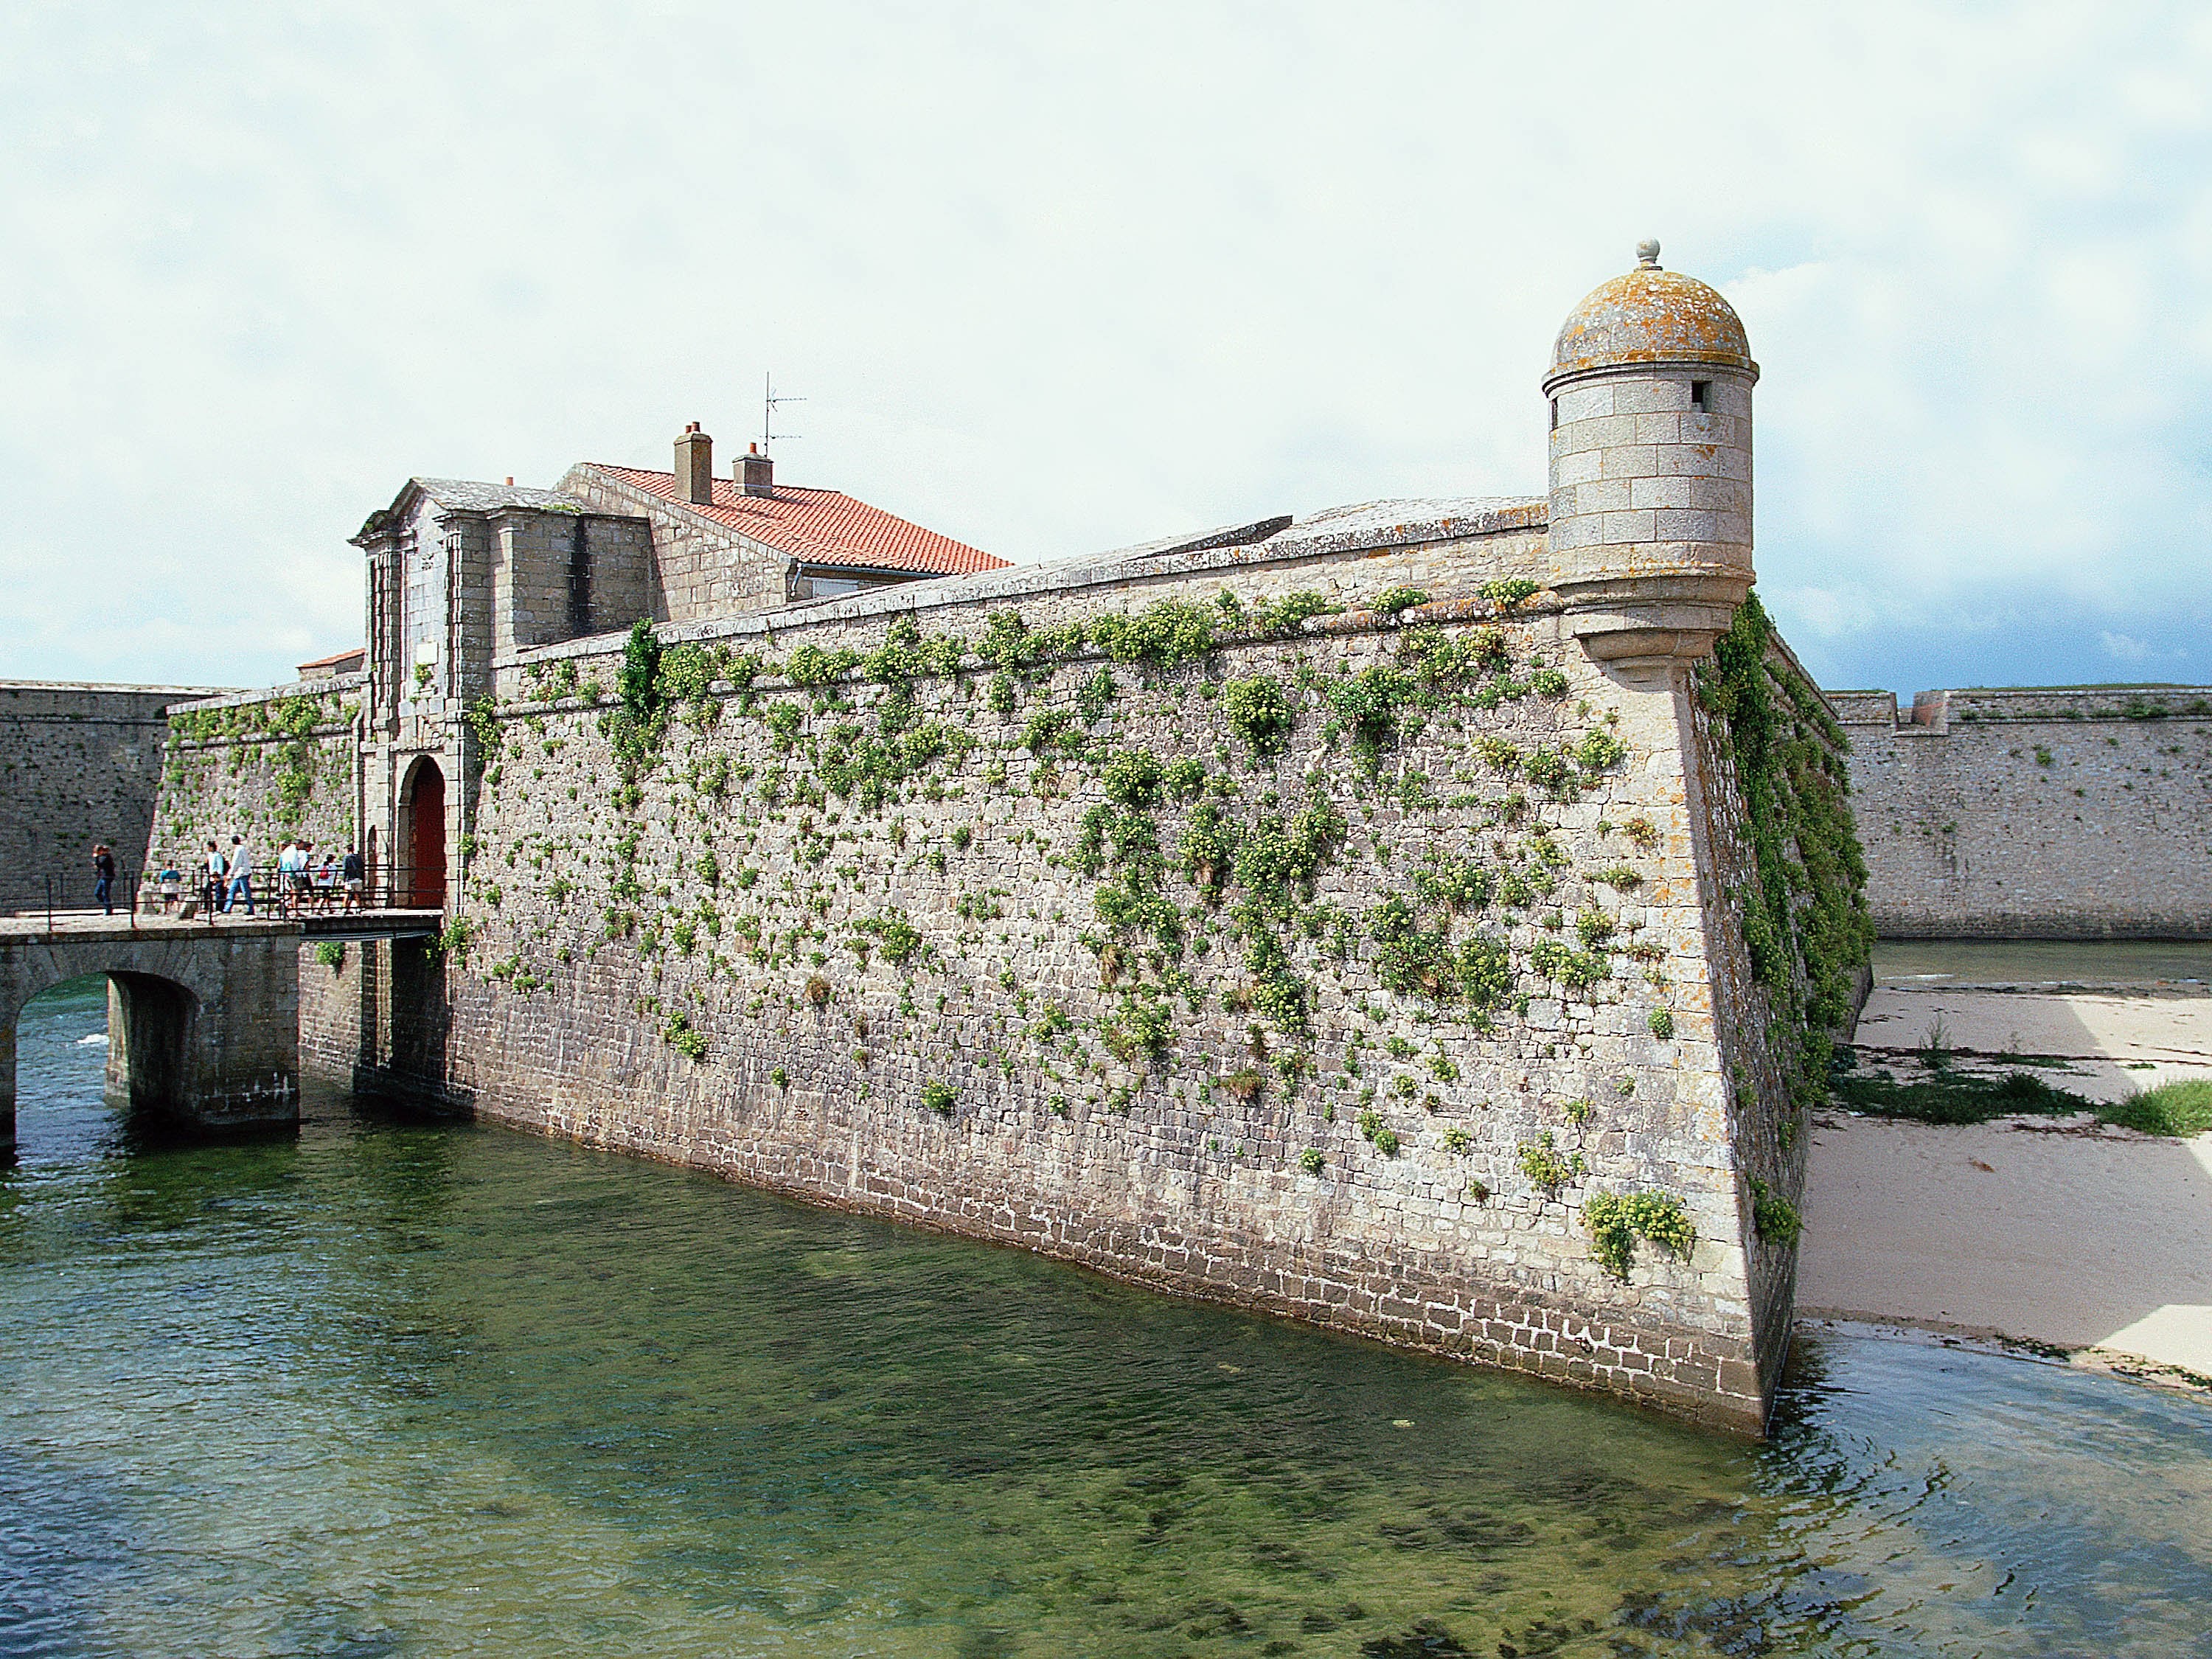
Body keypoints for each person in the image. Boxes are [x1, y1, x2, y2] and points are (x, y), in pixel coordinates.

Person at [224, 834, 255, 915]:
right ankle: (227, 908)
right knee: (232, 891)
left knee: (244, 892)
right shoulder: (242, 849)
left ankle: (250, 908)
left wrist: (230, 874)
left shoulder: (238, 850)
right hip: (241, 874)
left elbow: (236, 863)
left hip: (242, 874)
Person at [203, 841, 225, 921]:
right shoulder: (210, 855)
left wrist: (218, 875)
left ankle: (219, 908)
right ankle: (207, 907)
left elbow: (220, 866)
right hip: (211, 876)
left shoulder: (217, 855)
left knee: (219, 892)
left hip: (217, 876)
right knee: (206, 891)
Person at [91, 844, 116, 916]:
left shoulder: (107, 858)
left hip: (107, 877)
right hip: (103, 877)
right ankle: (107, 906)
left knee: (105, 894)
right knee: (97, 893)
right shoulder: (104, 857)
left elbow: (99, 865)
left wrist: (96, 858)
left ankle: (108, 910)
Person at [341, 844, 364, 911]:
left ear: (347, 850)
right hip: (357, 878)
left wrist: (344, 879)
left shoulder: (346, 858)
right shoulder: (358, 857)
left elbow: (345, 869)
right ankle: (358, 907)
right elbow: (362, 867)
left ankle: (344, 909)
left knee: (347, 893)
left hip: (349, 878)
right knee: (357, 894)